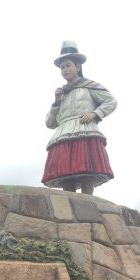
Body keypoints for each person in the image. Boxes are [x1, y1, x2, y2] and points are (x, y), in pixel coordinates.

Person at [41, 41, 117, 195]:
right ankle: (69, 201)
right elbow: (50, 123)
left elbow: (111, 101)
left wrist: (95, 113)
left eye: (68, 65)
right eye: (62, 67)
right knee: (66, 173)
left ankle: (87, 200)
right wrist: (56, 102)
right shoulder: (62, 94)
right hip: (62, 135)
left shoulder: (90, 86)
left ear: (78, 66)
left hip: (84, 130)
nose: (65, 70)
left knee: (86, 170)